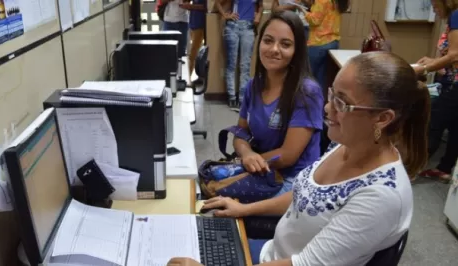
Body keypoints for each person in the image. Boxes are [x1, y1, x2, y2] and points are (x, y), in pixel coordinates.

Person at [168, 51, 429, 265]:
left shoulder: (382, 197)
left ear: (383, 118)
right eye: (332, 95)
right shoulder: (346, 144)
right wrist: (243, 209)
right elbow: (305, 195)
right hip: (272, 254)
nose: (327, 108)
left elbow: (304, 264)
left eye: (342, 103)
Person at [235, 11, 323, 197]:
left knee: (221, 205)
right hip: (262, 171)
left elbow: (287, 156)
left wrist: (246, 162)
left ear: (297, 50)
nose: (274, 49)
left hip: (293, 182)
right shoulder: (254, 84)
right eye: (268, 41)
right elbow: (240, 132)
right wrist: (246, 154)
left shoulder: (307, 92)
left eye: (285, 44)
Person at [413, 0, 458, 183]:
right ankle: (445, 168)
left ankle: (412, 169)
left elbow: (455, 54)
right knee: (456, 126)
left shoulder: (456, 16)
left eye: (434, 4)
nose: (433, 9)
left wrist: (425, 69)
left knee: (434, 121)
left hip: (456, 83)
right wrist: (434, 62)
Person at [216, 0, 263, 109]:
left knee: (245, 65)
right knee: (231, 64)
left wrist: (258, 16)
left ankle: (242, 98)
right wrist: (225, 15)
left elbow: (260, 6)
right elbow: (217, 3)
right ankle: (231, 96)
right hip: (233, 26)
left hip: (248, 27)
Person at [295, 0, 348, 89]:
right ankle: (320, 100)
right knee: (323, 77)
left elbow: (314, 20)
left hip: (318, 42)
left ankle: (309, 100)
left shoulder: (321, 0)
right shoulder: (336, 2)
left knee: (309, 76)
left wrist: (301, 9)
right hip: (332, 41)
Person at [180, 0, 207, 86]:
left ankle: (187, 80)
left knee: (192, 54)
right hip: (192, 24)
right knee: (196, 54)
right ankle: (200, 78)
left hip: (200, 25)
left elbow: (205, 7)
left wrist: (191, 7)